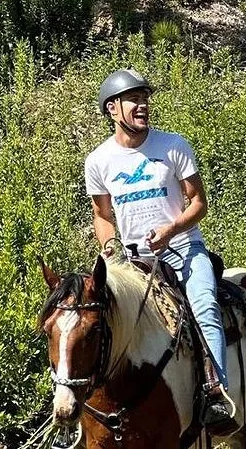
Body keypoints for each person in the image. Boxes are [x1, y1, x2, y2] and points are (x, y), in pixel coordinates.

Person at [85, 68, 236, 432]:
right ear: (112, 109)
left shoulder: (173, 146)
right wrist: (108, 248)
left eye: (144, 99)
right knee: (93, 320)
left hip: (184, 249)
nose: (142, 106)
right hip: (134, 261)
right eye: (133, 100)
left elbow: (198, 202)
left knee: (203, 305)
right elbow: (102, 215)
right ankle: (82, 408)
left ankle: (217, 394)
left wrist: (172, 229)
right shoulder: (98, 161)